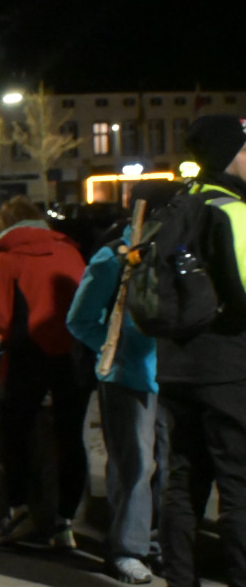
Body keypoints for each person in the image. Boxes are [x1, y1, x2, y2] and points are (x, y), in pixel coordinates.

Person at [66, 183, 180, 584]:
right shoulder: (114, 257)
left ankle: (159, 545)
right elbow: (79, 320)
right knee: (135, 466)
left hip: (171, 376)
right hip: (128, 377)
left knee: (169, 468)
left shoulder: (175, 253)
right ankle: (127, 551)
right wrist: (117, 348)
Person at [0, 196, 91, 548]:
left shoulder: (4, 257)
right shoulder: (70, 250)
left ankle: (19, 512)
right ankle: (65, 524)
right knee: (71, 439)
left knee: (14, 432)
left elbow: (2, 316)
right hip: (74, 356)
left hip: (28, 356)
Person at [155, 115, 246, 587]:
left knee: (182, 483)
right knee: (239, 486)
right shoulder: (231, 209)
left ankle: (180, 581)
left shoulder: (179, 204)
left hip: (175, 367)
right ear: (230, 156)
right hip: (227, 368)